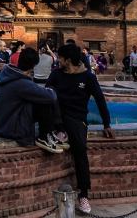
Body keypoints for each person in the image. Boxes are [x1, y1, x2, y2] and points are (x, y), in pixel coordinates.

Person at [46, 44, 115, 216]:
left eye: (60, 57)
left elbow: (100, 100)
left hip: (76, 120)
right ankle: (58, 131)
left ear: (67, 60)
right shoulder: (56, 74)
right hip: (58, 118)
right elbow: (45, 95)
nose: (58, 60)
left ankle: (83, 194)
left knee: (80, 151)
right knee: (50, 94)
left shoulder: (88, 77)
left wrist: (107, 123)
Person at [0, 47, 62, 152]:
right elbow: (51, 97)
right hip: (12, 129)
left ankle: (51, 133)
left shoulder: (9, 75)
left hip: (1, 126)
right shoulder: (22, 83)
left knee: (42, 96)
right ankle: (46, 135)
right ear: (33, 66)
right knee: (47, 97)